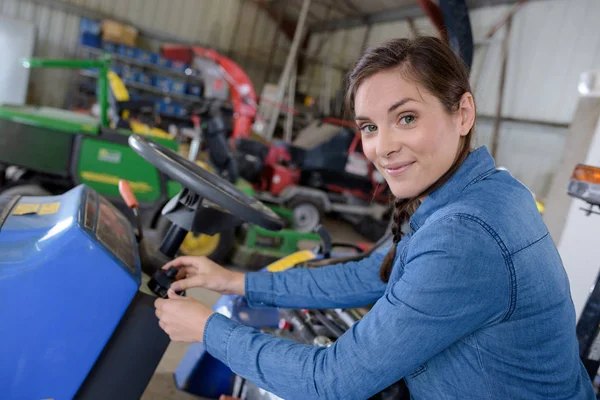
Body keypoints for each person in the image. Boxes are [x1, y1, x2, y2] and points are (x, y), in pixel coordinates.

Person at [154, 36, 595, 399]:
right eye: (369, 127)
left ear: (462, 114)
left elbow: (332, 380)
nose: (382, 147)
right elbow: (371, 274)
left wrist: (208, 329)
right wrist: (236, 282)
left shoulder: (465, 233)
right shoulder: (480, 191)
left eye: (406, 118)